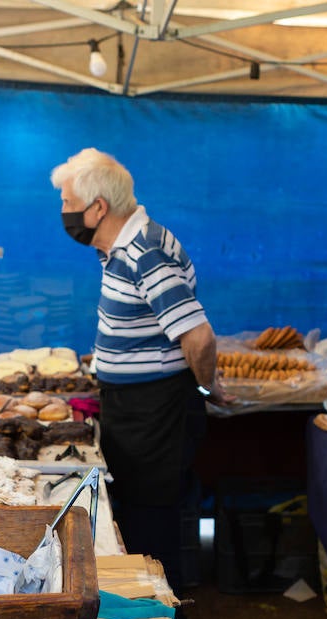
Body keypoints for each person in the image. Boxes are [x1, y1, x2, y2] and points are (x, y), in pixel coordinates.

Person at [50, 148, 228, 594]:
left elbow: (199, 336)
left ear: (98, 208)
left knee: (152, 531)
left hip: (154, 415)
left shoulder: (142, 251)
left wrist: (206, 388)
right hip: (137, 409)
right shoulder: (123, 245)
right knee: (139, 521)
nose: (63, 212)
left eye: (68, 203)